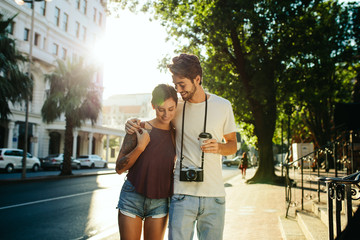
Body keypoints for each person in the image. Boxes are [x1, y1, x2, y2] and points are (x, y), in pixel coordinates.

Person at [126, 53, 237, 240]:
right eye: (175, 85)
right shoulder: (174, 106)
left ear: (197, 79)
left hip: (214, 196)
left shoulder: (223, 106)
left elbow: (233, 145)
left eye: (182, 85)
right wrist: (131, 122)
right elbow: (152, 122)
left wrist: (218, 147)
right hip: (181, 195)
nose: (178, 90)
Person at [115, 84, 178, 240]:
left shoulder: (177, 134)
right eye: (161, 109)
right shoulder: (139, 129)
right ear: (153, 106)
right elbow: (118, 168)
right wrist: (140, 147)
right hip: (132, 197)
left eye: (171, 109)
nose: (166, 115)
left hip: (160, 201)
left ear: (177, 106)